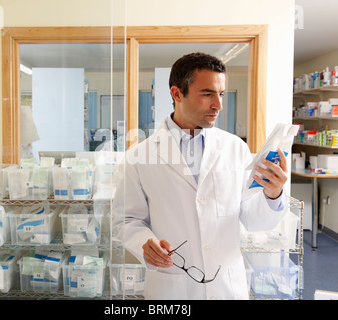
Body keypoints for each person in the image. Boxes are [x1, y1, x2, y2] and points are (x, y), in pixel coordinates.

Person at [112, 52, 288, 300]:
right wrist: (144, 243)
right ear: (177, 94)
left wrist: (273, 194)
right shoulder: (139, 156)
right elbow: (126, 220)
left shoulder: (235, 148)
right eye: (207, 94)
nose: (218, 104)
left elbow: (253, 220)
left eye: (221, 94)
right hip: (172, 287)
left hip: (226, 286)